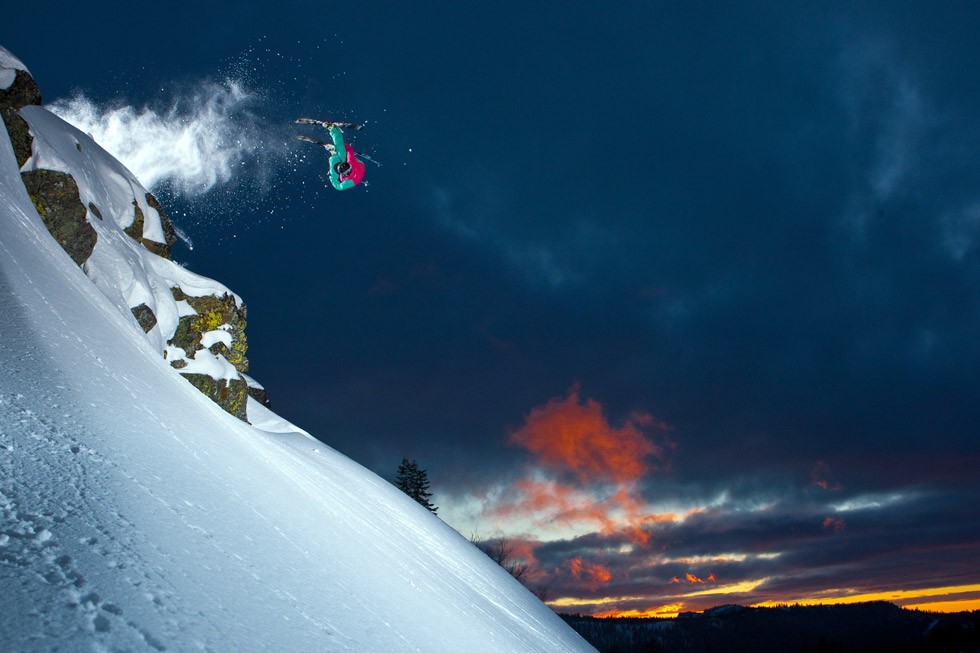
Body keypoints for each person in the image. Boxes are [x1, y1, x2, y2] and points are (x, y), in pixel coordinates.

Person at [324, 125, 365, 191]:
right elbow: (349, 149)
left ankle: (334, 154)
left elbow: (339, 187)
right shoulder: (350, 160)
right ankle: (334, 130)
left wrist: (331, 177)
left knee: (334, 163)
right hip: (359, 165)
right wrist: (344, 147)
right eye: (346, 165)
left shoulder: (347, 182)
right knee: (341, 152)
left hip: (354, 173)